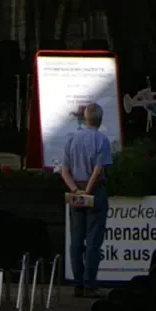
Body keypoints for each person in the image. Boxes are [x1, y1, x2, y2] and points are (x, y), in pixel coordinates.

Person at [58, 101, 113, 296]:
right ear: (100, 119)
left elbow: (64, 170)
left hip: (75, 189)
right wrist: (88, 191)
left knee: (76, 239)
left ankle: (78, 283)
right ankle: (90, 283)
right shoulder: (101, 140)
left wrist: (75, 190)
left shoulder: (72, 140)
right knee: (93, 240)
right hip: (94, 190)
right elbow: (99, 170)